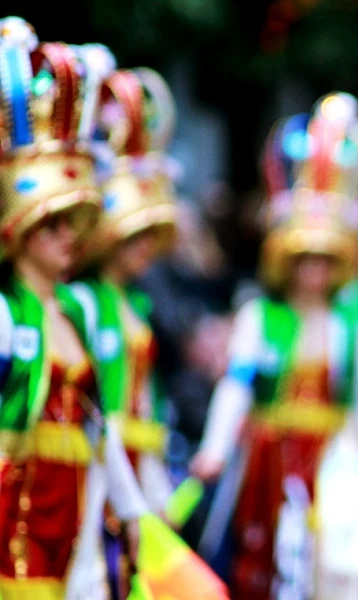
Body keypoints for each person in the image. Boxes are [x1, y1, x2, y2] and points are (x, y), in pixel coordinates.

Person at [189, 93, 358, 599]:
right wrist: (215, 447)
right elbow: (236, 386)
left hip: (334, 455)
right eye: (305, 259)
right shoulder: (260, 318)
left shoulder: (350, 324)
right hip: (271, 457)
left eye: (324, 261)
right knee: (270, 559)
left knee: (338, 561)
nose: (314, 271)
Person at [0, 22, 148, 597]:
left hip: (79, 508)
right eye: (51, 224)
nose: (68, 237)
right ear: (21, 227)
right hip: (16, 508)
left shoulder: (79, 310)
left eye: (73, 222)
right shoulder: (6, 313)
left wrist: (130, 510)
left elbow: (99, 424)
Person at [68, 66, 180, 593]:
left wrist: (154, 483)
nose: (144, 248)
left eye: (150, 235)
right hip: (99, 467)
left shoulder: (136, 303)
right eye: (134, 235)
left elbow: (147, 399)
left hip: (139, 462)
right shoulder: (85, 303)